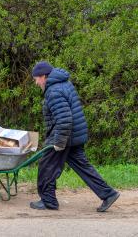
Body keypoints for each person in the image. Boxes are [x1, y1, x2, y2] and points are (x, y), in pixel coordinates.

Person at [30, 61, 120, 212]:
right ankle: (108, 194)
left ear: (44, 76)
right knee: (82, 166)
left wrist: (59, 142)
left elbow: (65, 119)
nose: (36, 82)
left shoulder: (53, 91)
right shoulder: (63, 83)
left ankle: (48, 201)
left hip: (64, 135)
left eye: (36, 79)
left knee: (47, 166)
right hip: (73, 134)